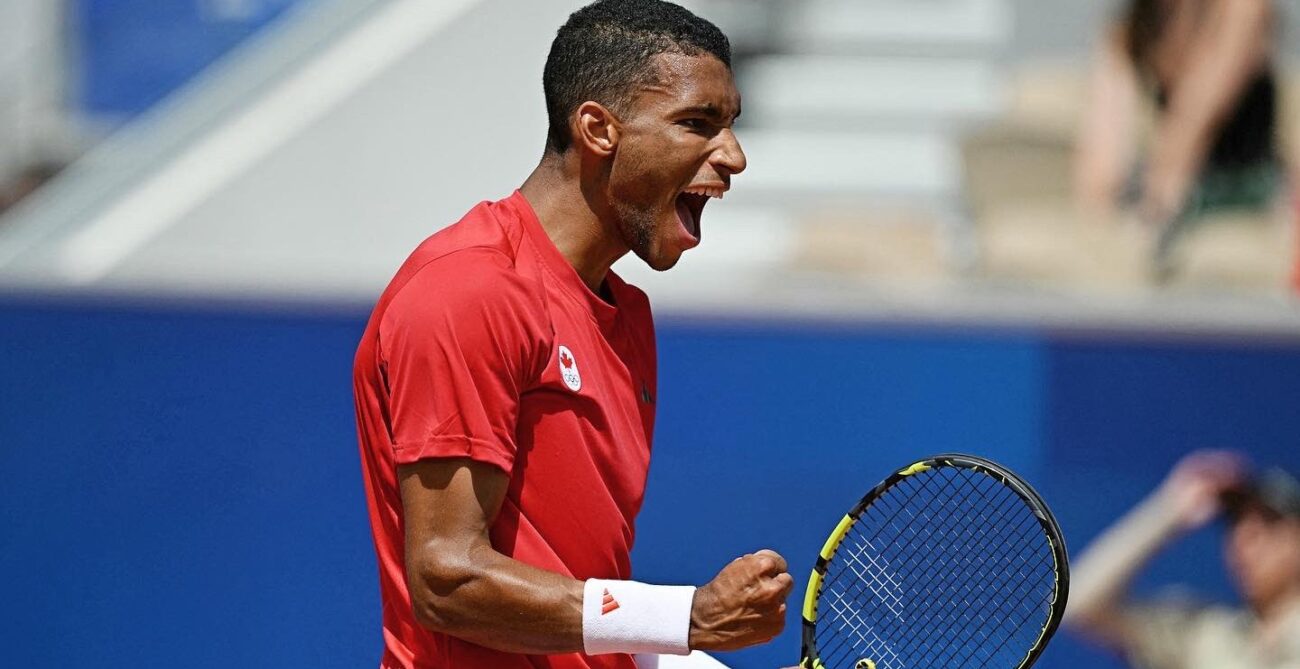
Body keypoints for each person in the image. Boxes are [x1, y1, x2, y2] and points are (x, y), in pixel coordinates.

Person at [351, 2, 793, 668]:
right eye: (697, 124)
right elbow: (448, 578)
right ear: (598, 128)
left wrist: (693, 654)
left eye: (730, 126)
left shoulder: (628, 317)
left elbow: (584, 607)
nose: (733, 156)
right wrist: (688, 618)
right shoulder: (468, 291)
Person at [1073, 0, 1289, 275]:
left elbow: (1197, 120)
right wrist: (1098, 222)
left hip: (1241, 182)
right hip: (1165, 185)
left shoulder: (1243, 8)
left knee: (1160, 216)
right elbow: (1102, 152)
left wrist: (1159, 197)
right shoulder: (1131, 27)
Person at [1065, 450, 1300, 669]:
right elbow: (1077, 604)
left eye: (1270, 522)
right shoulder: (1204, 633)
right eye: (1235, 522)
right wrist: (1170, 510)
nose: (1243, 540)